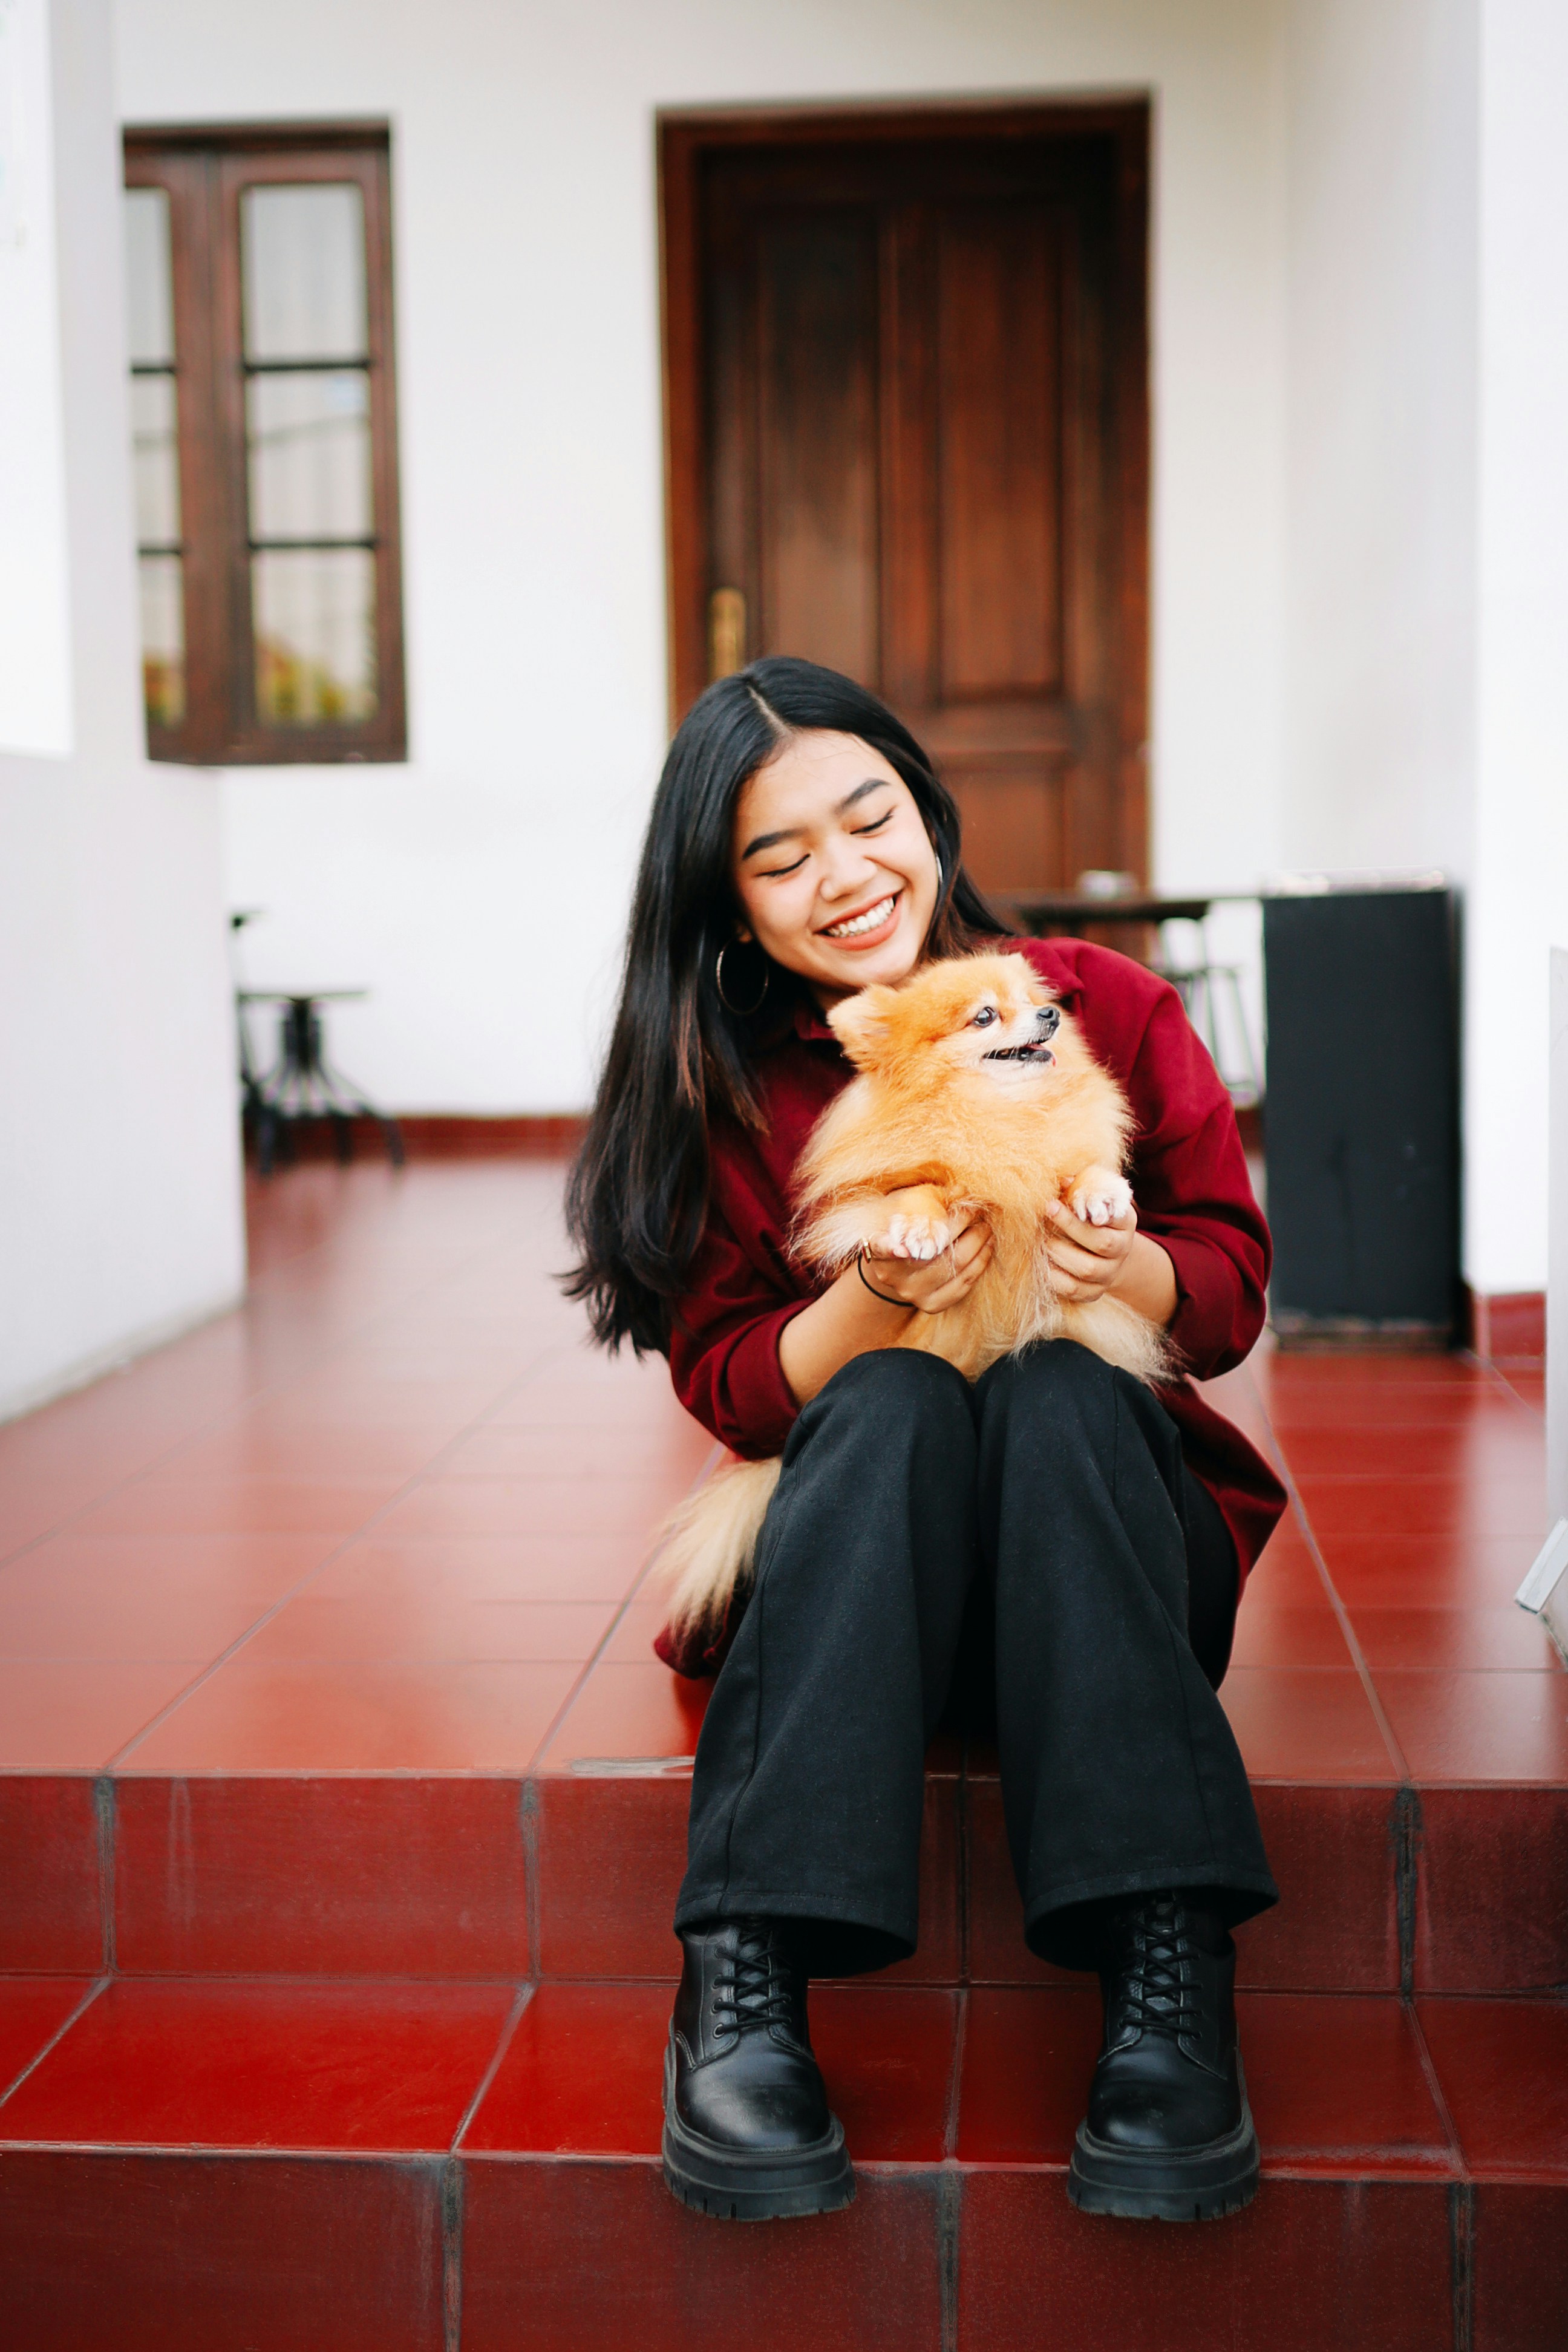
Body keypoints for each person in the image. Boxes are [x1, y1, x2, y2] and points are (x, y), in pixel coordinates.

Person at [566, 658, 1287, 2226]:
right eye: (778, 856)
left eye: (867, 814)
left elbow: (1225, 1287)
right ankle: (744, 1973)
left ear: (927, 806)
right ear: (727, 900)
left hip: (1096, 1573)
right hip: (856, 1597)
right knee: (885, 1395)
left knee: (1058, 1389)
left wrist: (1123, 1267)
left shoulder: (1099, 1002)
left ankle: (1166, 1966)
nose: (843, 876)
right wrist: (873, 1299)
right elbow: (738, 1387)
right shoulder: (728, 1084)